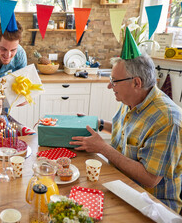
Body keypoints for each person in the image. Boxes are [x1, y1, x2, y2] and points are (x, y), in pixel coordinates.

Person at [70, 54, 182, 213]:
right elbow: (125, 133)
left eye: (114, 81)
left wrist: (103, 148)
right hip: (121, 185)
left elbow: (150, 179)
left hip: (153, 205)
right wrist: (99, 124)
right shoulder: (131, 100)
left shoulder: (167, 120)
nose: (110, 86)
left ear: (136, 83)